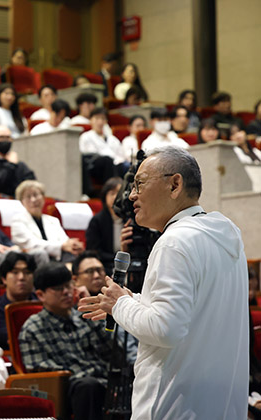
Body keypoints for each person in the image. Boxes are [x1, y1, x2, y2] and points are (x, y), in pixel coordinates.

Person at [79, 147, 248, 419]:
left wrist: (120, 304)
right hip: (220, 403)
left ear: (175, 184)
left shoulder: (174, 241)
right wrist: (129, 301)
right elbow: (196, 314)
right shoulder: (226, 235)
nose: (132, 194)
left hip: (175, 405)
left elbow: (166, 329)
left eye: (140, 184)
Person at [19, 262, 112, 420]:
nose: (67, 292)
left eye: (68, 285)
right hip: (67, 391)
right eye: (58, 289)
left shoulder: (83, 316)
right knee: (88, 386)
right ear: (41, 295)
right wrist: (87, 376)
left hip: (103, 381)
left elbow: (112, 349)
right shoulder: (33, 328)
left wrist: (91, 308)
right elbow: (40, 370)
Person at [11, 180, 83, 263]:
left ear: (43, 197)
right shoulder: (18, 220)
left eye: (36, 195)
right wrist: (62, 246)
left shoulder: (53, 220)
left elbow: (64, 241)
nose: (33, 200)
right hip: (34, 259)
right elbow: (32, 244)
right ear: (22, 202)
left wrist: (72, 244)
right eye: (28, 197)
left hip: (57, 257)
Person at [0, 252, 37, 350]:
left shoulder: (42, 303)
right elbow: (6, 338)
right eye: (15, 272)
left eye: (27, 272)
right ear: (4, 278)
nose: (21, 277)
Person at [0, 125, 36, 197]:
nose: (5, 140)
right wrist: (11, 165)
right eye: (1, 137)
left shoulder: (19, 164)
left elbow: (32, 184)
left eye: (8, 137)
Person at [79, 108, 127, 191]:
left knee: (125, 165)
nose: (100, 122)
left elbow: (121, 155)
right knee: (107, 160)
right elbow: (86, 155)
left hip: (113, 165)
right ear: (91, 120)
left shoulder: (113, 139)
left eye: (103, 119)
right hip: (95, 166)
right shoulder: (86, 136)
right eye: (97, 118)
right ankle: (111, 191)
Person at [85, 177, 124, 273]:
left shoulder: (131, 219)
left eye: (118, 193)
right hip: (105, 265)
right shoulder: (97, 220)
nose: (115, 197)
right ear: (104, 197)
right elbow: (93, 251)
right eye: (112, 193)